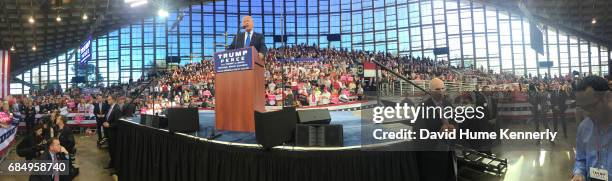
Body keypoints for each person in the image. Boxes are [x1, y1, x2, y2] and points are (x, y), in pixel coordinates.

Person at [413, 78, 457, 181]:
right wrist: (438, 133)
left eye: (442, 88)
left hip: (449, 147)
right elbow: (418, 132)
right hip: (432, 151)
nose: (441, 91)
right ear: (430, 91)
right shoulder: (422, 107)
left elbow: (455, 120)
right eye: (437, 89)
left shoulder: (448, 104)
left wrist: (453, 127)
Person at [572, 76, 612, 181]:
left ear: (608, 97)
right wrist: (579, 173)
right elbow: (581, 159)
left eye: (592, 107)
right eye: (583, 108)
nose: (587, 114)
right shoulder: (584, 127)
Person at [103, 95, 121, 170]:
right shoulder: (110, 108)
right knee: (110, 149)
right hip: (109, 132)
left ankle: (115, 166)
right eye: (107, 99)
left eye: (109, 99)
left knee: (113, 150)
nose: (108, 101)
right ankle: (112, 163)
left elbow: (118, 123)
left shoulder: (116, 108)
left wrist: (109, 125)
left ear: (113, 100)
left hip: (114, 133)